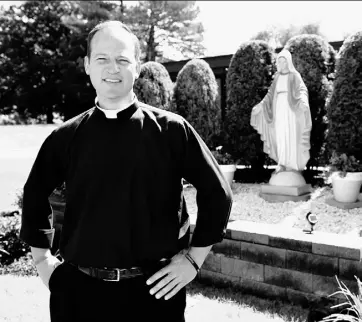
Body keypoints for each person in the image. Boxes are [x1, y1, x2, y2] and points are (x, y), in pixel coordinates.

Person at [19, 20, 232, 322]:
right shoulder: (66, 136)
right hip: (77, 294)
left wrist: (193, 260)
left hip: (155, 294)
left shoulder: (171, 130)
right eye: (102, 59)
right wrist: (42, 260)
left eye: (122, 60)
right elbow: (35, 193)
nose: (112, 69)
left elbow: (217, 194)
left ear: (137, 66)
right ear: (87, 65)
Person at [250, 49, 312, 174]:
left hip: (291, 110)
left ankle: (292, 164)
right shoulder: (277, 77)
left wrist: (303, 101)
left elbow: (301, 90)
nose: (282, 64)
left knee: (290, 134)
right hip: (278, 109)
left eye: (284, 62)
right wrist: (261, 105)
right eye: (280, 62)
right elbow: (270, 94)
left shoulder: (294, 76)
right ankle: (282, 163)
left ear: (288, 62)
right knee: (280, 135)